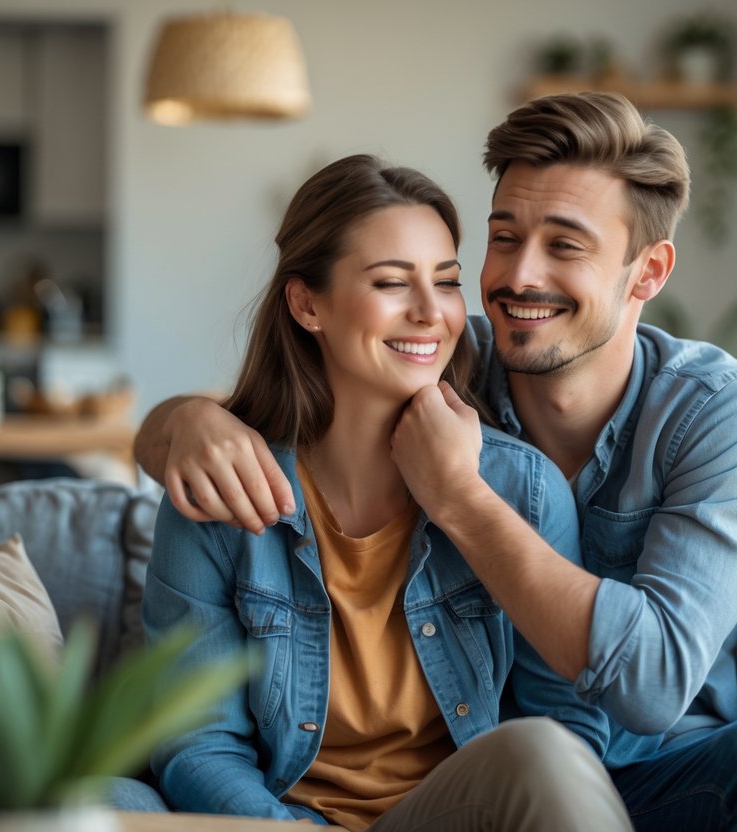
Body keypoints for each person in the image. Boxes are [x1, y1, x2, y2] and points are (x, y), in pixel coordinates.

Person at [136, 94, 737, 831]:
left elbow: (651, 684)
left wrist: (458, 497)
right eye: (503, 237)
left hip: (645, 765)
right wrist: (181, 425)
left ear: (647, 272)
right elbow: (291, 395)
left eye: (564, 246)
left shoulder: (710, 409)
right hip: (492, 787)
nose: (516, 276)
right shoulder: (445, 353)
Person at [141, 153, 631, 831]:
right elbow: (196, 739)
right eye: (392, 284)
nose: (431, 313)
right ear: (307, 304)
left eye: (446, 282)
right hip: (279, 820)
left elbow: (565, 720)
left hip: (451, 819)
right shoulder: (218, 494)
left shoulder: (523, 490)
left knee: (543, 750)